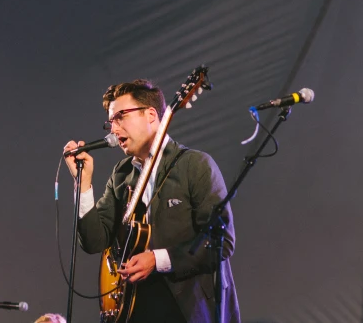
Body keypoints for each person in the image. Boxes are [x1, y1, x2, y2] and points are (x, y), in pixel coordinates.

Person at [63, 79, 240, 323]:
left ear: (150, 114)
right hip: (134, 307)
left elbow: (222, 241)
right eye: (111, 121)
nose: (113, 129)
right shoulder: (122, 173)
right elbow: (94, 240)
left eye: (121, 117)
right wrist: (82, 184)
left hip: (186, 307)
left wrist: (158, 259)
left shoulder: (195, 165)